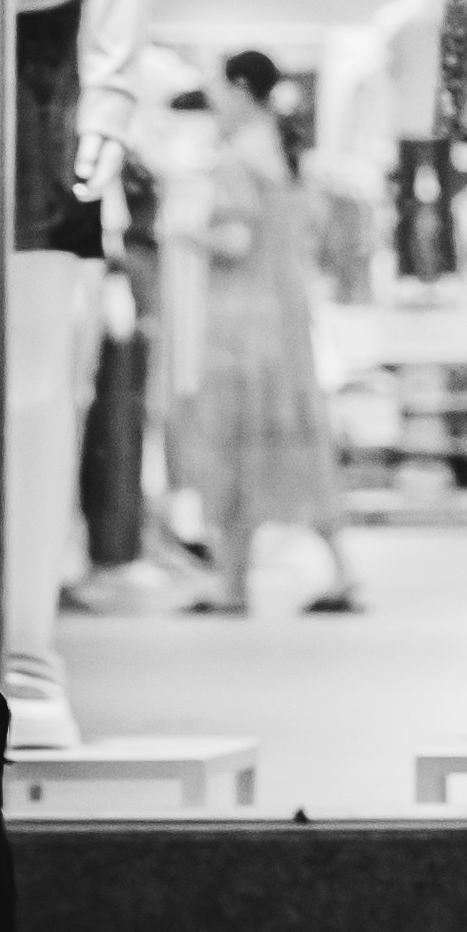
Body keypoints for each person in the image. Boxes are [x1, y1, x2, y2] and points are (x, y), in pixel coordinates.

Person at [174, 52, 360, 619]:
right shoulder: (289, 152)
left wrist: (182, 233)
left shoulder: (237, 157)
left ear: (238, 87)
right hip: (286, 321)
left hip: (239, 320)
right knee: (298, 446)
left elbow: (233, 240)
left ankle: (232, 585)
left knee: (232, 447)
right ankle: (341, 571)